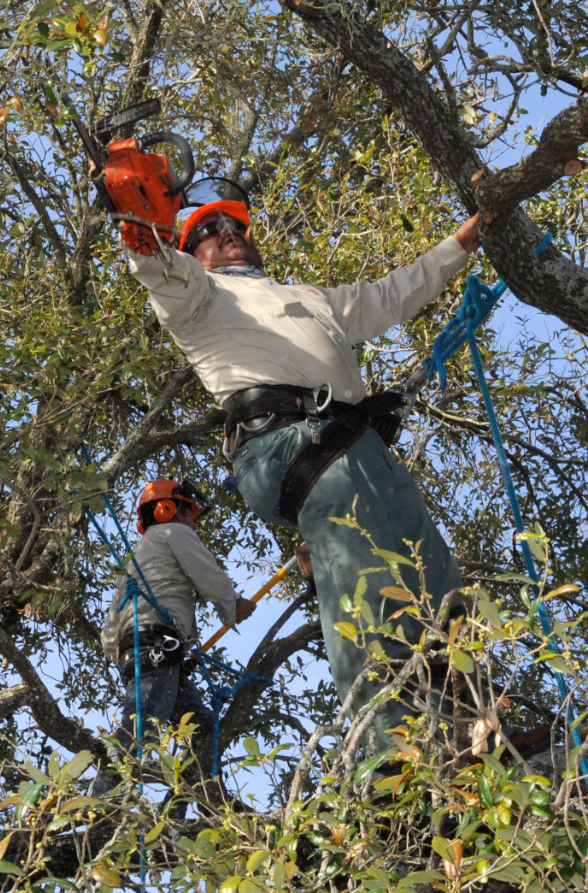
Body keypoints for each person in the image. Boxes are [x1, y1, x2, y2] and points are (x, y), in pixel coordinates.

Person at [123, 184, 482, 751]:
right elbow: (158, 267)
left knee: (434, 577)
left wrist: (466, 238)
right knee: (368, 581)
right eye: (209, 231)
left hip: (357, 446)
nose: (228, 234)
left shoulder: (311, 297)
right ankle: (392, 758)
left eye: (236, 226)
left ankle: (473, 734)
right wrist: (139, 220)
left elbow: (392, 294)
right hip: (293, 444)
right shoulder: (199, 295)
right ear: (192, 252)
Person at [90, 479, 255, 795]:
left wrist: (123, 654)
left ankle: (202, 802)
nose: (192, 521)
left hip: (144, 652)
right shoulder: (174, 533)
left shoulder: (137, 557)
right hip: (156, 647)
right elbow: (207, 574)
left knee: (204, 733)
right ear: (168, 510)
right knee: (142, 725)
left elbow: (110, 630)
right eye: (189, 512)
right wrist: (233, 604)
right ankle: (101, 801)